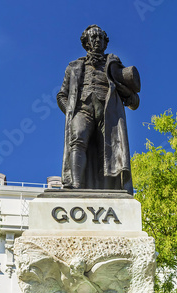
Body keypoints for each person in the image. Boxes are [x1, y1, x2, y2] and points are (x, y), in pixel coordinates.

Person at [57, 25, 140, 194]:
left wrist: (119, 87)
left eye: (100, 38)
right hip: (82, 110)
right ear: (86, 42)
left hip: (108, 112)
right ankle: (76, 185)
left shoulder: (114, 66)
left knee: (108, 150)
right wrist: (70, 114)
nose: (97, 41)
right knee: (78, 139)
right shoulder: (73, 67)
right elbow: (61, 95)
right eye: (93, 38)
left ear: (105, 42)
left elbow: (134, 101)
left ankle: (110, 191)